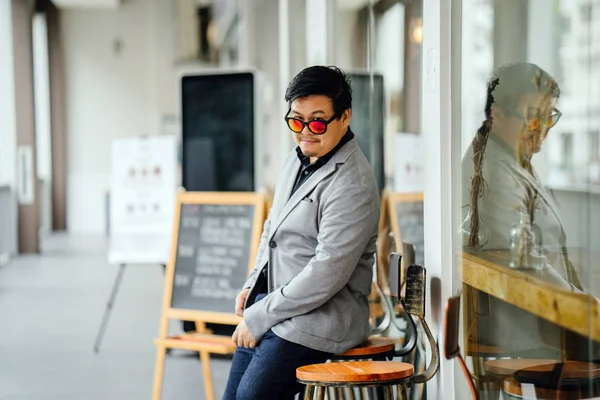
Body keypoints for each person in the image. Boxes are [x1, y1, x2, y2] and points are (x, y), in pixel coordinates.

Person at [222, 65, 380, 400]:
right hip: (278, 306)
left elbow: (327, 272)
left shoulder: (353, 183)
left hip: (321, 318)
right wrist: (253, 282)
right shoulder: (298, 157)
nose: (306, 131)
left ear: (345, 116)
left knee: (251, 397)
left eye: (318, 121)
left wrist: (259, 316)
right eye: (296, 120)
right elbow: (271, 227)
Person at [461, 62, 584, 356]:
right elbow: (523, 263)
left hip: (541, 323)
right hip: (529, 335)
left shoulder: (508, 155)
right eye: (532, 119)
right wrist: (586, 308)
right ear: (497, 114)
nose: (542, 131)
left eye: (549, 118)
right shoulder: (494, 171)